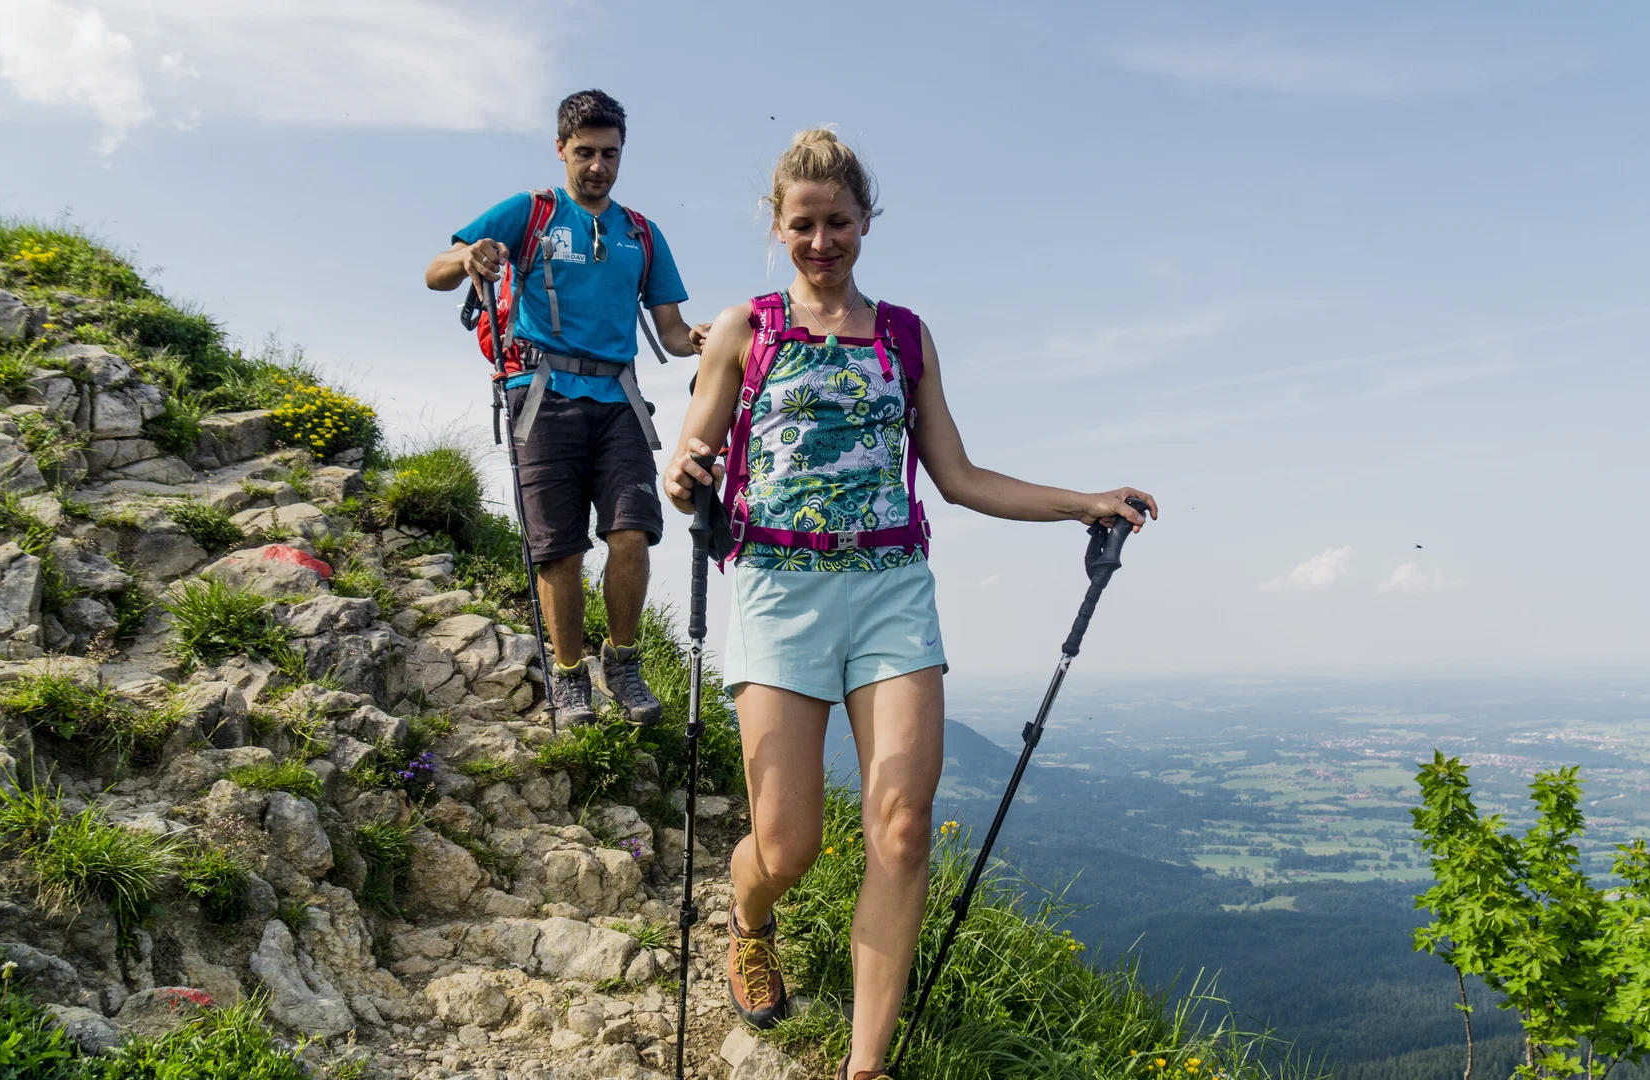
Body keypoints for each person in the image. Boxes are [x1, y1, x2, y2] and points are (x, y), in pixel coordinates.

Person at [663, 128, 1156, 1080]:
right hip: (777, 588)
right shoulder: (742, 330)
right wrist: (686, 477)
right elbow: (691, 462)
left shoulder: (903, 335)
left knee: (901, 825)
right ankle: (749, 917)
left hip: (891, 589)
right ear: (777, 226)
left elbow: (957, 476)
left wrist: (1083, 502)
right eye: (803, 224)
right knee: (788, 847)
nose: (821, 241)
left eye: (838, 222)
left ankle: (866, 1064)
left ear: (866, 222)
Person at [424, 89, 707, 727]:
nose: (599, 166)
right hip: (541, 395)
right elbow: (434, 272)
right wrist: (467, 256)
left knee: (632, 534)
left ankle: (623, 664)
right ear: (561, 149)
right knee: (559, 550)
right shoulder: (531, 211)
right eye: (585, 153)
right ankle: (571, 673)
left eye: (610, 153)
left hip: (619, 400)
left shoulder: (641, 233)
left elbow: (670, 330)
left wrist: (702, 338)